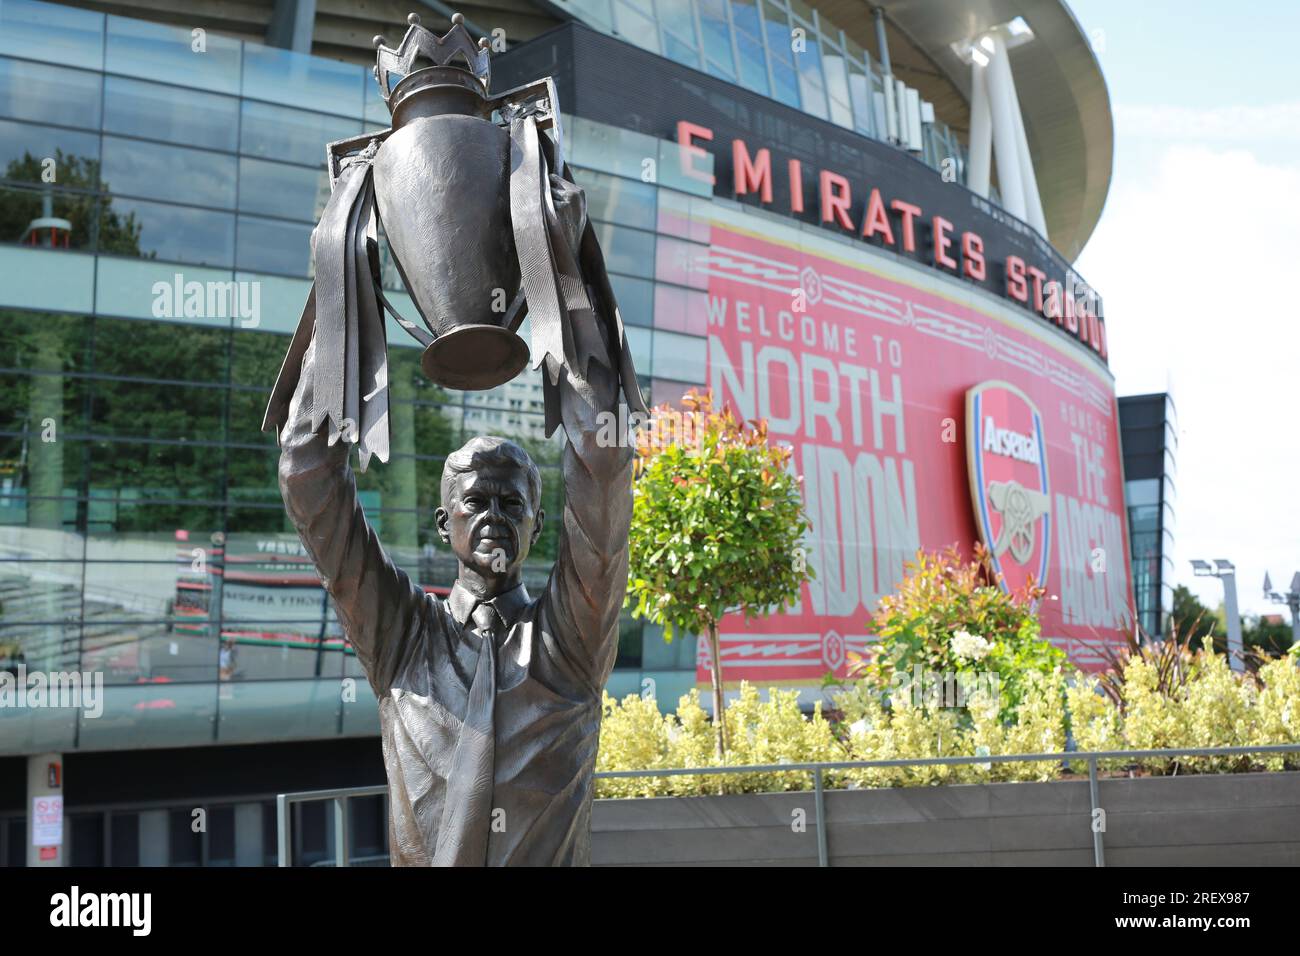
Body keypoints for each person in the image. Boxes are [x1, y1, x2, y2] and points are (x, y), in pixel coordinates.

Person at [276, 288, 633, 866]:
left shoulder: (570, 644)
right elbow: (305, 473)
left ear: (538, 525)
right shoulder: (399, 636)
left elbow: (604, 467)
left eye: (511, 505)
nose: (494, 517)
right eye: (476, 502)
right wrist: (347, 292)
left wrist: (557, 279)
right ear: (445, 523)